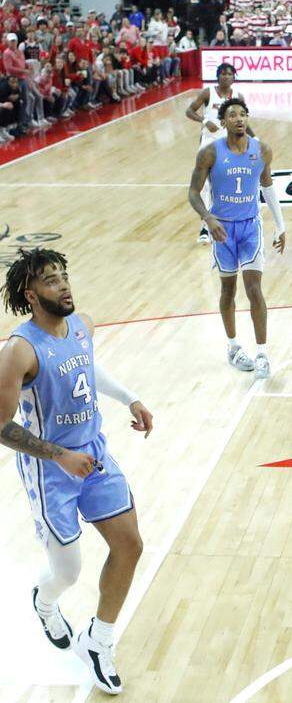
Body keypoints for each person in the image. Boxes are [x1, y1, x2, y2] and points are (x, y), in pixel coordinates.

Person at [0, 248, 154, 695]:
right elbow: (1, 426)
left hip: (95, 454)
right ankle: (45, 601)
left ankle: (98, 641)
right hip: (50, 469)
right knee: (68, 571)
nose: (63, 284)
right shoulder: (19, 351)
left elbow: (87, 366)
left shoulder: (82, 325)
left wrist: (131, 398)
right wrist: (59, 457)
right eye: (51, 280)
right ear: (31, 295)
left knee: (130, 545)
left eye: (64, 275)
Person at [187, 98, 285, 378]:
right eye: (233, 115)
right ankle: (233, 347)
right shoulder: (209, 153)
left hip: (251, 227)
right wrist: (208, 219)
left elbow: (268, 188)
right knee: (228, 290)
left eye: (243, 114)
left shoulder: (261, 150)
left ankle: (263, 353)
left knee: (254, 289)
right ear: (224, 121)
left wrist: (281, 226)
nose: (239, 119)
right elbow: (193, 193)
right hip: (223, 230)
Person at [185, 63, 250, 245]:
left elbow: (243, 121)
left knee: (227, 186)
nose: (226, 76)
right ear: (218, 76)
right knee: (204, 186)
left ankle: (229, 223)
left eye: (230, 74)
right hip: (208, 145)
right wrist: (205, 120)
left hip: (230, 146)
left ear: (234, 77)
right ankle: (205, 227)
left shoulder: (238, 97)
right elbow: (189, 111)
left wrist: (254, 139)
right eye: (223, 73)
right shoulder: (208, 93)